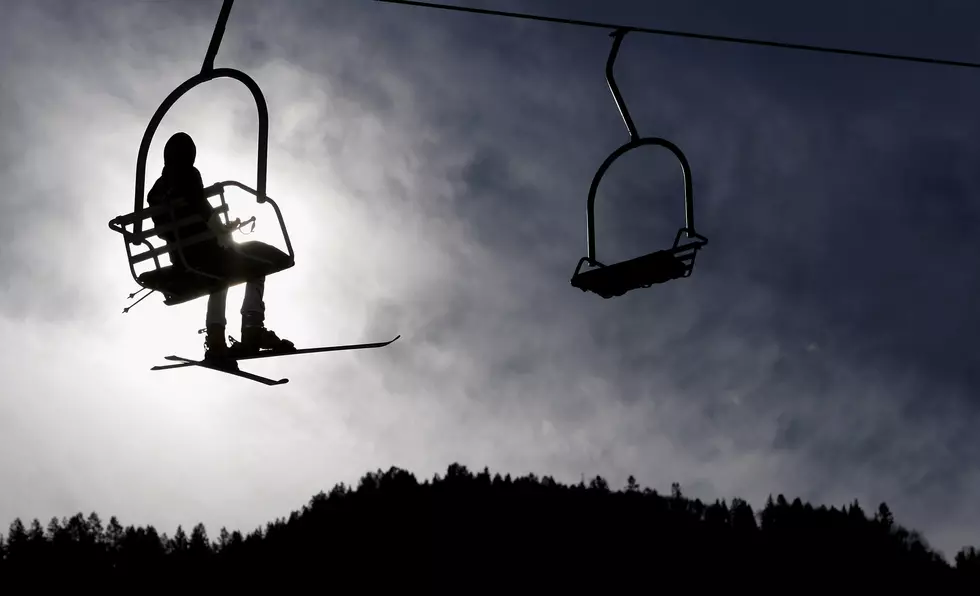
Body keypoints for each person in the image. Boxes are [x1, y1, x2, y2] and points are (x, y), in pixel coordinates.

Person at [147, 132, 295, 366]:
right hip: (207, 253)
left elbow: (165, 231)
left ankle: (216, 341)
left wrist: (216, 230)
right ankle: (252, 329)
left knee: (218, 276)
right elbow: (200, 204)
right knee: (260, 259)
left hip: (182, 256)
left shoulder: (155, 192)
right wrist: (221, 230)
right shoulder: (189, 175)